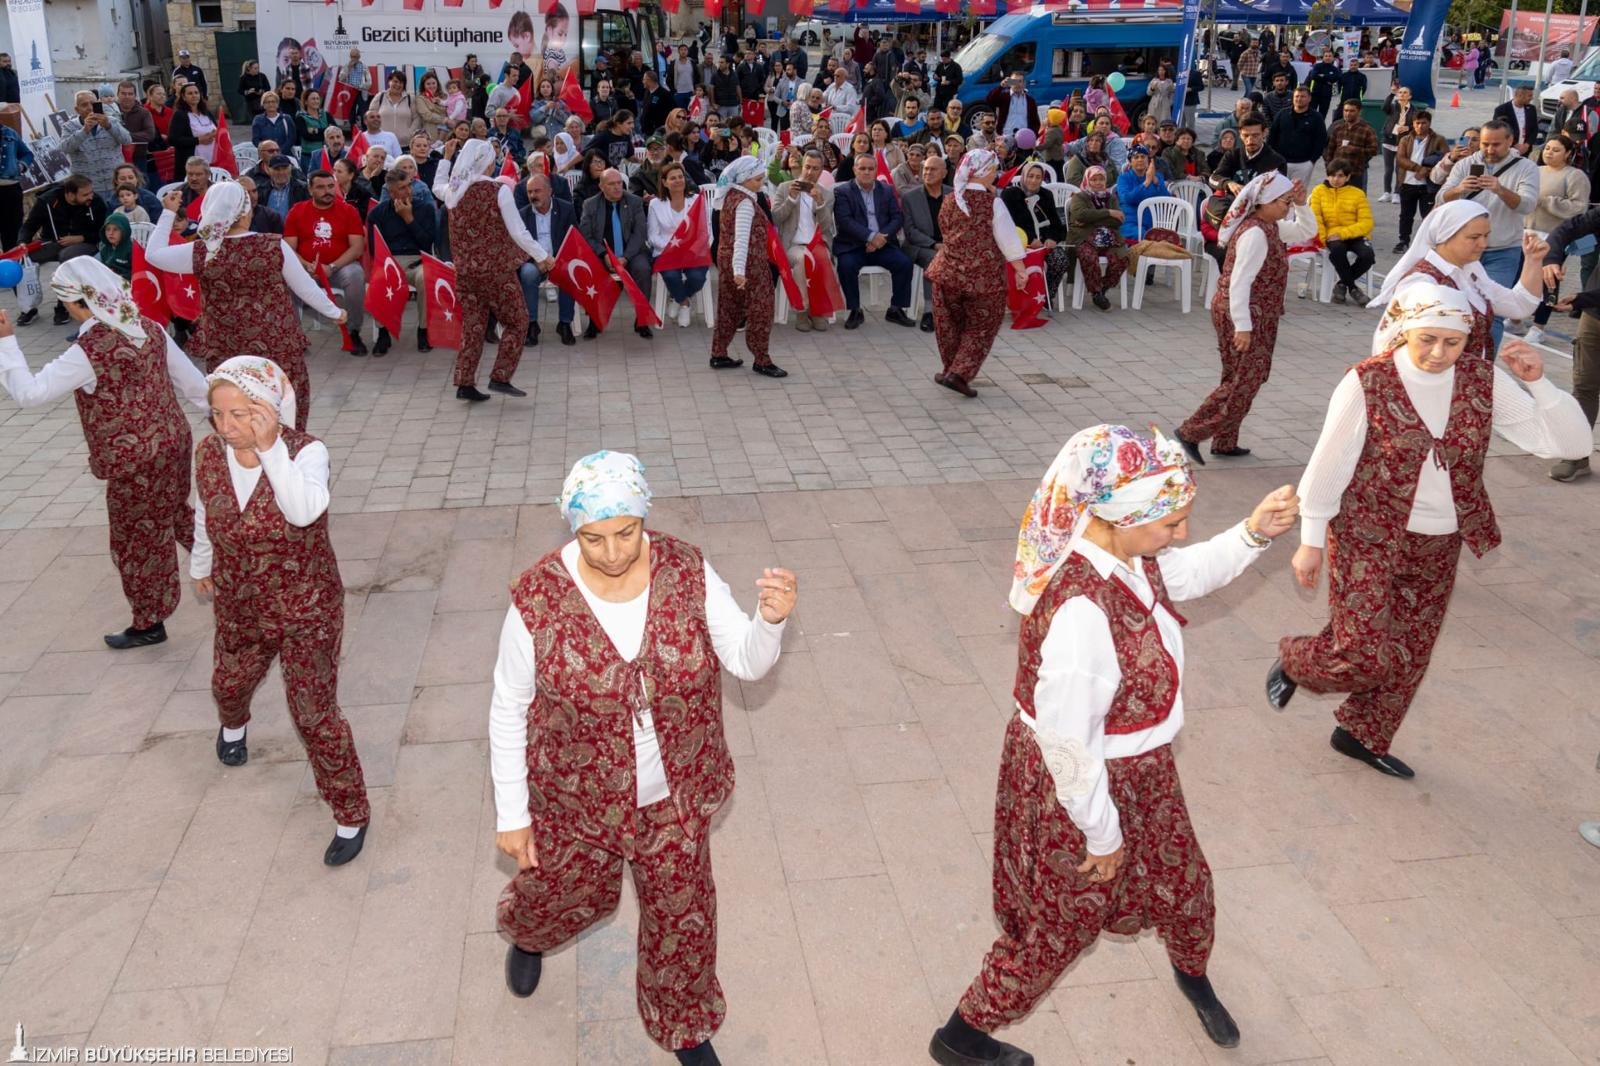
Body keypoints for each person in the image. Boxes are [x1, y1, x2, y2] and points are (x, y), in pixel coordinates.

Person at [929, 424, 1301, 1066]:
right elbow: (1068, 746)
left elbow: (1186, 573)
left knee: (1186, 884)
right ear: (1123, 517)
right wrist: (1103, 836)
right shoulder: (1081, 611)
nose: (1180, 533)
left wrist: (1253, 532)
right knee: (1060, 925)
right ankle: (961, 1035)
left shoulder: (1128, 553)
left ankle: (1192, 975)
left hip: (1139, 767)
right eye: (1171, 523)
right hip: (1079, 787)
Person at [491, 451, 797, 1066]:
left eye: (626, 533)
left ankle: (685, 1024)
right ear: (573, 528)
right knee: (559, 893)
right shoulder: (537, 598)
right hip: (577, 798)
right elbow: (507, 706)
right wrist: (513, 813)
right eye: (593, 538)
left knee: (683, 918)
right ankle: (530, 935)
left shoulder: (687, 570)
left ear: (644, 517)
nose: (611, 552)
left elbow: (745, 660)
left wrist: (769, 622)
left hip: (673, 795)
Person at [1268, 283, 1591, 776]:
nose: (1439, 353)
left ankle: (1361, 734)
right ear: (1403, 331)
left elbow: (1571, 446)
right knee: (1361, 653)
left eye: (1452, 342)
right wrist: (1310, 542)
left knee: (1411, 648)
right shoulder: (1368, 381)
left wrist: (1540, 384)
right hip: (1367, 534)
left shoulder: (1482, 380)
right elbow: (1328, 465)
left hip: (1441, 539)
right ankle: (1297, 660)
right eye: (1427, 339)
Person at [193, 356, 371, 867]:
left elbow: (304, 510)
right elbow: (204, 509)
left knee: (313, 713)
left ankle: (351, 814)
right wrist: (201, 562)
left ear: (269, 409)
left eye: (241, 414)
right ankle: (233, 726)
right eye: (218, 414)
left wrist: (270, 448)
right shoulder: (208, 452)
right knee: (228, 685)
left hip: (305, 605)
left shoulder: (307, 452)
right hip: (239, 601)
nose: (227, 426)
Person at [0, 259, 208, 648]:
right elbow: (194, 384)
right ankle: (233, 569)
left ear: (76, 302)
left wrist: (6, 342)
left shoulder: (90, 349)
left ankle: (150, 622)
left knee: (138, 541)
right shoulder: (149, 327)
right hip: (174, 443)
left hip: (134, 462)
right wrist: (226, 418)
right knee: (174, 512)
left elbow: (30, 394)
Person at [146, 182, 345, 427]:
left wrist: (167, 213)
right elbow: (304, 287)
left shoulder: (202, 252)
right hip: (277, 346)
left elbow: (153, 254)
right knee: (283, 415)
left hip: (226, 349)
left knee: (238, 415)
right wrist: (335, 312)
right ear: (244, 213)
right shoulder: (273, 245)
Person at [1178, 173, 1314, 462]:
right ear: (1266, 201)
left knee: (1238, 377)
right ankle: (1190, 432)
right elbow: (1240, 282)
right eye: (1285, 202)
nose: (1288, 207)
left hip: (1255, 313)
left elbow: (1306, 230)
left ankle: (1225, 441)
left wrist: (1302, 204)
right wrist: (1243, 327)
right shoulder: (1255, 233)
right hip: (1243, 313)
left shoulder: (1270, 226)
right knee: (1245, 381)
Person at [434, 139, 545, 400]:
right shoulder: (498, 190)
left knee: (473, 325)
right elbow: (518, 231)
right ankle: (500, 376)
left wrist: (446, 159)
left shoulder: (454, 192)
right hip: (496, 271)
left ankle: (464, 383)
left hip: (465, 272)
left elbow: (437, 185)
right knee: (518, 321)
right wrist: (542, 255)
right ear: (485, 163)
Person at [925, 149, 1026, 398]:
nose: (995, 174)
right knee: (982, 326)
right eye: (993, 169)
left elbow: (945, 230)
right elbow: (1007, 239)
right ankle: (959, 374)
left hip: (946, 274)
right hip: (983, 279)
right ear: (984, 171)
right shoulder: (993, 203)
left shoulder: (951, 199)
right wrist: (1021, 270)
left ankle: (950, 369)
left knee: (949, 326)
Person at [1434, 122, 1541, 345]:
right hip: (1461, 250)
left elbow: (1527, 205)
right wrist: (1459, 189)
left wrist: (1500, 189)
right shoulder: (1466, 164)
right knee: (1451, 306)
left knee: (1492, 312)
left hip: (1502, 250)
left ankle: (1484, 362)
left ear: (1510, 141)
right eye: (1485, 144)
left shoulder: (1526, 167)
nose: (1490, 150)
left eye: (1496, 144)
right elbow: (1441, 198)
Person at [705, 157, 785, 378]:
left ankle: (718, 353)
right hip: (749, 265)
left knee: (728, 307)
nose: (761, 183)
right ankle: (762, 360)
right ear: (744, 179)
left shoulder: (730, 195)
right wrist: (739, 271)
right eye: (757, 179)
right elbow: (741, 239)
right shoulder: (745, 203)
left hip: (728, 260)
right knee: (762, 309)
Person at [282, 170, 368, 356]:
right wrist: (306, 265)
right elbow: (288, 249)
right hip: (305, 268)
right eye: (320, 187)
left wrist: (332, 267)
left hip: (339, 267)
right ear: (310, 190)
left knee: (355, 275)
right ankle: (295, 337)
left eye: (330, 186)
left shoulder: (348, 211)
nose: (327, 191)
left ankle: (353, 332)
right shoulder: (297, 211)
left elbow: (357, 248)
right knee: (286, 280)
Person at [832, 152, 916, 331]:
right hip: (853, 245)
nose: (866, 172)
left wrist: (881, 238)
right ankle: (855, 310)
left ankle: (896, 309)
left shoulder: (886, 190)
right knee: (846, 266)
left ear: (876, 170)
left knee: (904, 263)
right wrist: (871, 237)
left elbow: (897, 217)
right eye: (862, 168)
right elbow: (845, 221)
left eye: (870, 169)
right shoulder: (843, 191)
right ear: (854, 169)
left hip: (883, 244)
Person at [1524, 134, 1591, 346]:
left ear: (1568, 153)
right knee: (1523, 278)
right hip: (1527, 232)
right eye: (1547, 148)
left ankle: (1539, 327)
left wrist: (1548, 202)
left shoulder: (1575, 176)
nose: (1549, 153)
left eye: (1556, 150)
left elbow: (1579, 208)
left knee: (1548, 282)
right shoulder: (1535, 171)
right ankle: (1516, 318)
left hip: (1554, 237)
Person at [365, 169, 438, 355]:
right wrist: (389, 265)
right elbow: (375, 248)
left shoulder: (425, 209)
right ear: (391, 192)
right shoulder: (378, 214)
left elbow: (427, 243)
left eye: (409, 186)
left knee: (425, 278)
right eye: (402, 188)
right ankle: (383, 333)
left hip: (417, 261)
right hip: (389, 262)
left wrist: (409, 219)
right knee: (378, 279)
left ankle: (423, 331)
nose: (408, 191)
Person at [18, 175, 108, 327]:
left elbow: (104, 232)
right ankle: (28, 307)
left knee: (66, 256)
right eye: (85, 194)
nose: (90, 197)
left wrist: (81, 237)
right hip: (54, 241)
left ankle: (64, 305)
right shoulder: (47, 201)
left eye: (91, 192)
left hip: (87, 242)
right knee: (23, 258)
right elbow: (29, 226)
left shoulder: (96, 202)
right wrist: (22, 243)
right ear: (70, 194)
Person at [578, 167, 655, 340]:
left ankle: (642, 319)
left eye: (619, 183)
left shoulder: (634, 201)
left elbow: (640, 233)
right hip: (603, 254)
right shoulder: (590, 204)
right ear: (601, 186)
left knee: (643, 269)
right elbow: (586, 235)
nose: (617, 187)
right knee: (590, 271)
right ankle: (594, 320)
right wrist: (603, 254)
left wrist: (625, 257)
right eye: (611, 184)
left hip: (631, 253)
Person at [772, 149, 837, 335]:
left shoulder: (826, 194)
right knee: (803, 260)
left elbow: (826, 227)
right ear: (802, 166)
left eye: (815, 169)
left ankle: (817, 310)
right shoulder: (785, 188)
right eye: (807, 167)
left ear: (821, 171)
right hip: (793, 245)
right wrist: (791, 199)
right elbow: (775, 218)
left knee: (820, 258)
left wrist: (820, 203)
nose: (810, 172)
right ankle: (803, 310)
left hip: (818, 244)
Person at [517, 171, 577, 348]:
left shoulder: (566, 209)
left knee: (568, 272)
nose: (533, 196)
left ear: (549, 191)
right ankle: (532, 324)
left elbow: (574, 238)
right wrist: (536, 260)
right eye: (530, 192)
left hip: (559, 258)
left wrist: (558, 259)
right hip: (533, 261)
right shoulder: (522, 214)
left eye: (537, 191)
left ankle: (565, 323)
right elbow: (517, 245)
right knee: (527, 273)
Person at [647, 161, 710, 330]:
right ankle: (685, 303)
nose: (678, 180)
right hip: (666, 252)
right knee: (671, 276)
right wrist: (673, 249)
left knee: (697, 278)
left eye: (680, 177)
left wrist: (690, 250)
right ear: (664, 182)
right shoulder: (655, 204)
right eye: (673, 178)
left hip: (694, 252)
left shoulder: (696, 200)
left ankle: (677, 298)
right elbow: (653, 236)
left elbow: (705, 231)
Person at [1003, 161, 1073, 307]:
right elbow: (1010, 224)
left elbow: (1057, 224)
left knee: (1061, 260)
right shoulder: (1010, 194)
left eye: (1038, 177)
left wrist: (1052, 239)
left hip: (1044, 245)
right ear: (1023, 176)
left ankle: (1045, 296)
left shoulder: (1046, 195)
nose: (1034, 180)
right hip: (1019, 245)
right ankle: (1021, 299)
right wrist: (1031, 239)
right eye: (1030, 176)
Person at [1311, 160, 1375, 304]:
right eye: (1332, 175)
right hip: (1331, 235)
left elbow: (1367, 223)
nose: (1336, 179)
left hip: (1354, 234)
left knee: (1368, 256)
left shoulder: (1357, 194)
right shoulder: (1319, 191)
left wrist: (1343, 234)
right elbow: (1316, 219)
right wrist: (1322, 240)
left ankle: (1342, 284)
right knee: (1337, 251)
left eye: (1340, 176)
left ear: (1348, 177)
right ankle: (1353, 288)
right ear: (1327, 175)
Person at [1067, 166, 1129, 312]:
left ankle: (1101, 289)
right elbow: (1080, 215)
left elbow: (1118, 221)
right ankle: (1096, 293)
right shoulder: (1079, 197)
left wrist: (1092, 218)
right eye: (1094, 179)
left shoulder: (1111, 198)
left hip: (1110, 237)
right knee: (1088, 256)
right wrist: (1108, 212)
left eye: (1101, 179)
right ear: (1087, 180)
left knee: (1122, 259)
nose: (1098, 183)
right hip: (1085, 237)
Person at [902, 153, 949, 332]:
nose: (928, 173)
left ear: (944, 173)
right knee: (935, 259)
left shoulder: (953, 194)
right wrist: (934, 245)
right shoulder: (910, 197)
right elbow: (910, 231)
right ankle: (930, 311)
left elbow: (961, 224)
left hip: (949, 245)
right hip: (920, 247)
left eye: (933, 169)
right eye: (926, 169)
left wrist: (950, 244)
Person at [61, 91, 132, 205]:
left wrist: (109, 126)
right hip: (88, 190)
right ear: (77, 109)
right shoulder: (69, 126)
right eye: (84, 105)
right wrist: (84, 130)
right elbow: (64, 148)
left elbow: (127, 140)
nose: (89, 108)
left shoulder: (111, 120)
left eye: (93, 103)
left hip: (115, 184)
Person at [1393, 110, 1446, 253]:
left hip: (1428, 185)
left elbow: (1445, 160)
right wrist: (1418, 168)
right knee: (1406, 215)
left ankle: (1427, 243)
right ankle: (1403, 241)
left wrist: (1426, 171)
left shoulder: (1438, 140)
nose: (1420, 126)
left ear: (1429, 123)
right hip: (1407, 183)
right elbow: (1400, 159)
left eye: (1424, 123)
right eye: (1417, 123)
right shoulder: (1405, 139)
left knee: (1428, 216)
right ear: (1413, 124)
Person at [1268, 86, 1327, 187]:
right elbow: (1272, 135)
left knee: (1297, 193)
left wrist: (1312, 161)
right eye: (1297, 96)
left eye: (1303, 96)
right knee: (1277, 192)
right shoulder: (1282, 114)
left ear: (1309, 98)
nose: (1299, 99)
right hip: (1280, 162)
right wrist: (1272, 156)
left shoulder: (1316, 117)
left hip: (1303, 164)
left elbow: (1321, 140)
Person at [1210, 115, 1285, 194]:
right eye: (1246, 135)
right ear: (1240, 134)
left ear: (1265, 133)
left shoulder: (1277, 161)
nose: (1250, 140)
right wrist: (1229, 184)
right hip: (1232, 200)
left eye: (1255, 135)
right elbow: (1214, 178)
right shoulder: (1232, 155)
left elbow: (1279, 190)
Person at [1115, 147, 1169, 241]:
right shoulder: (1124, 178)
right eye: (1136, 157)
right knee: (1144, 235)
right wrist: (1146, 183)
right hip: (1130, 222)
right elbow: (1127, 198)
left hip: (1154, 222)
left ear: (1148, 161)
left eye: (1143, 157)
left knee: (1167, 237)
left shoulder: (1157, 177)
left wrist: (1156, 181)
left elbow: (1166, 200)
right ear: (1130, 162)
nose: (1140, 159)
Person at [1324, 98, 1379, 190]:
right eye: (1345, 110)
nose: (1348, 113)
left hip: (1355, 173)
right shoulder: (1337, 128)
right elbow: (1330, 150)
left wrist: (1355, 150)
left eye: (1352, 111)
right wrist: (1329, 167)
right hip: (1336, 173)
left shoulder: (1367, 129)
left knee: (1355, 197)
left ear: (1359, 112)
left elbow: (1374, 150)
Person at [168, 82, 218, 171]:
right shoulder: (180, 115)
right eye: (190, 93)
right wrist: (198, 140)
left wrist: (215, 134)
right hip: (193, 161)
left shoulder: (206, 112)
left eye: (196, 93)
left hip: (213, 158)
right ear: (183, 97)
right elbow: (173, 140)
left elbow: (218, 129)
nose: (194, 95)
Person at [1378, 85, 1415, 204]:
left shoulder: (1414, 110)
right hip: (1389, 140)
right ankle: (1386, 192)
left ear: (1409, 96)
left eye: (1405, 93)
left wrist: (1408, 128)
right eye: (1400, 92)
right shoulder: (1393, 107)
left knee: (1399, 169)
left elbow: (1417, 126)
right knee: (1388, 169)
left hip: (1403, 143)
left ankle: (1397, 193)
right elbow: (1384, 108)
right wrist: (1392, 94)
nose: (1402, 94)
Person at [1492, 85, 1540, 159]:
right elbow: (1499, 130)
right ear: (1520, 95)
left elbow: (1535, 129)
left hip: (1525, 151)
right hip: (1507, 148)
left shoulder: (1531, 109)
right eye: (1529, 96)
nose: (1532, 98)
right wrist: (1514, 144)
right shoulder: (1502, 109)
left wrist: (1526, 145)